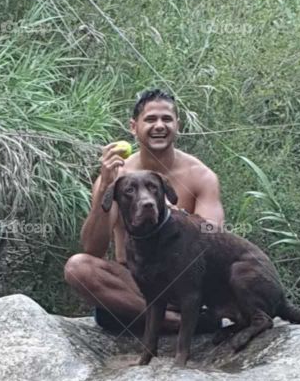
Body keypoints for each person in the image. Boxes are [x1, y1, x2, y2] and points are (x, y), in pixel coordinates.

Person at [64, 87, 225, 336]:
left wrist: (175, 215)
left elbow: (214, 237)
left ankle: (160, 318)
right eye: (150, 119)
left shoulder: (200, 176)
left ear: (177, 125)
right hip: (136, 284)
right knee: (78, 267)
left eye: (166, 119)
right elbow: (93, 249)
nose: (159, 125)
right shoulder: (117, 177)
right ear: (133, 126)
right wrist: (105, 187)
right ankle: (177, 323)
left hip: (182, 283)